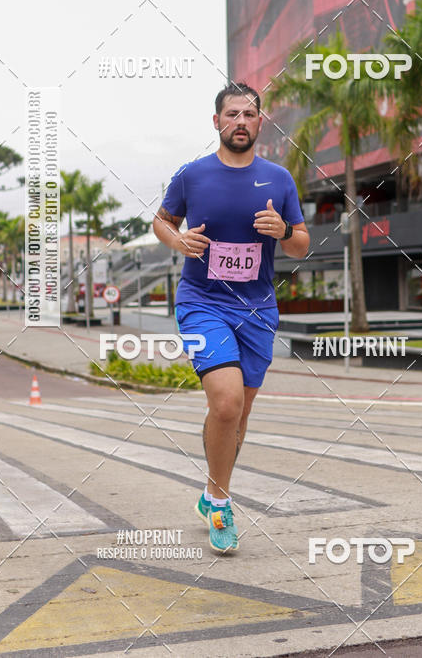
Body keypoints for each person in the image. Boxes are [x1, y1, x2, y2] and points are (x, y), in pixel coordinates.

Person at [152, 82, 310, 553]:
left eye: (249, 114)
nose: (240, 121)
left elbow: (302, 244)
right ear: (216, 122)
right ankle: (220, 502)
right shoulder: (192, 176)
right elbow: (160, 220)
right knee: (225, 404)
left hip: (257, 309)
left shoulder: (279, 179)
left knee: (237, 414)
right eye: (231, 114)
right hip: (202, 301)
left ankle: (210, 490)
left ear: (261, 122)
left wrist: (284, 231)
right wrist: (177, 241)